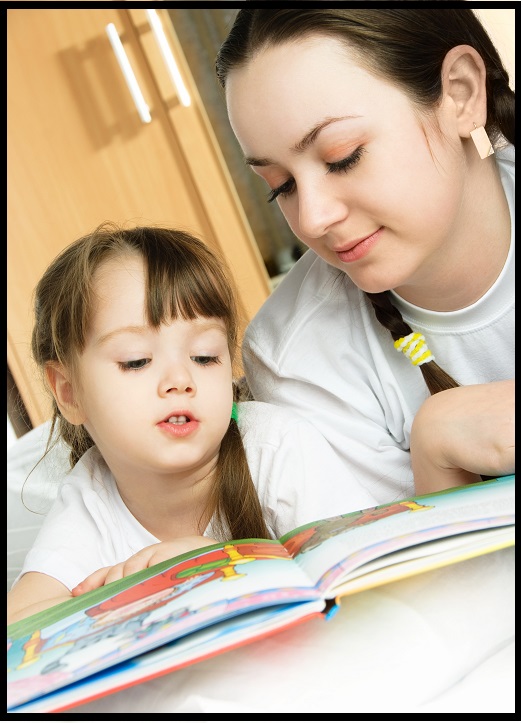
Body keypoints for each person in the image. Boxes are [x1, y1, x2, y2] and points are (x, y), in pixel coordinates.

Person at [7, 222, 378, 625]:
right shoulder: (91, 496)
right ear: (68, 393)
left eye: (204, 356)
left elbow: (370, 569)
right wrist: (112, 600)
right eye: (136, 361)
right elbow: (20, 626)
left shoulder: (273, 446)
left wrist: (221, 565)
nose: (180, 380)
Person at [215, 8, 515, 502]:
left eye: (342, 157)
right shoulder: (297, 357)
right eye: (281, 186)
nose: (312, 219)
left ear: (461, 94)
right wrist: (434, 443)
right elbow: (415, 578)